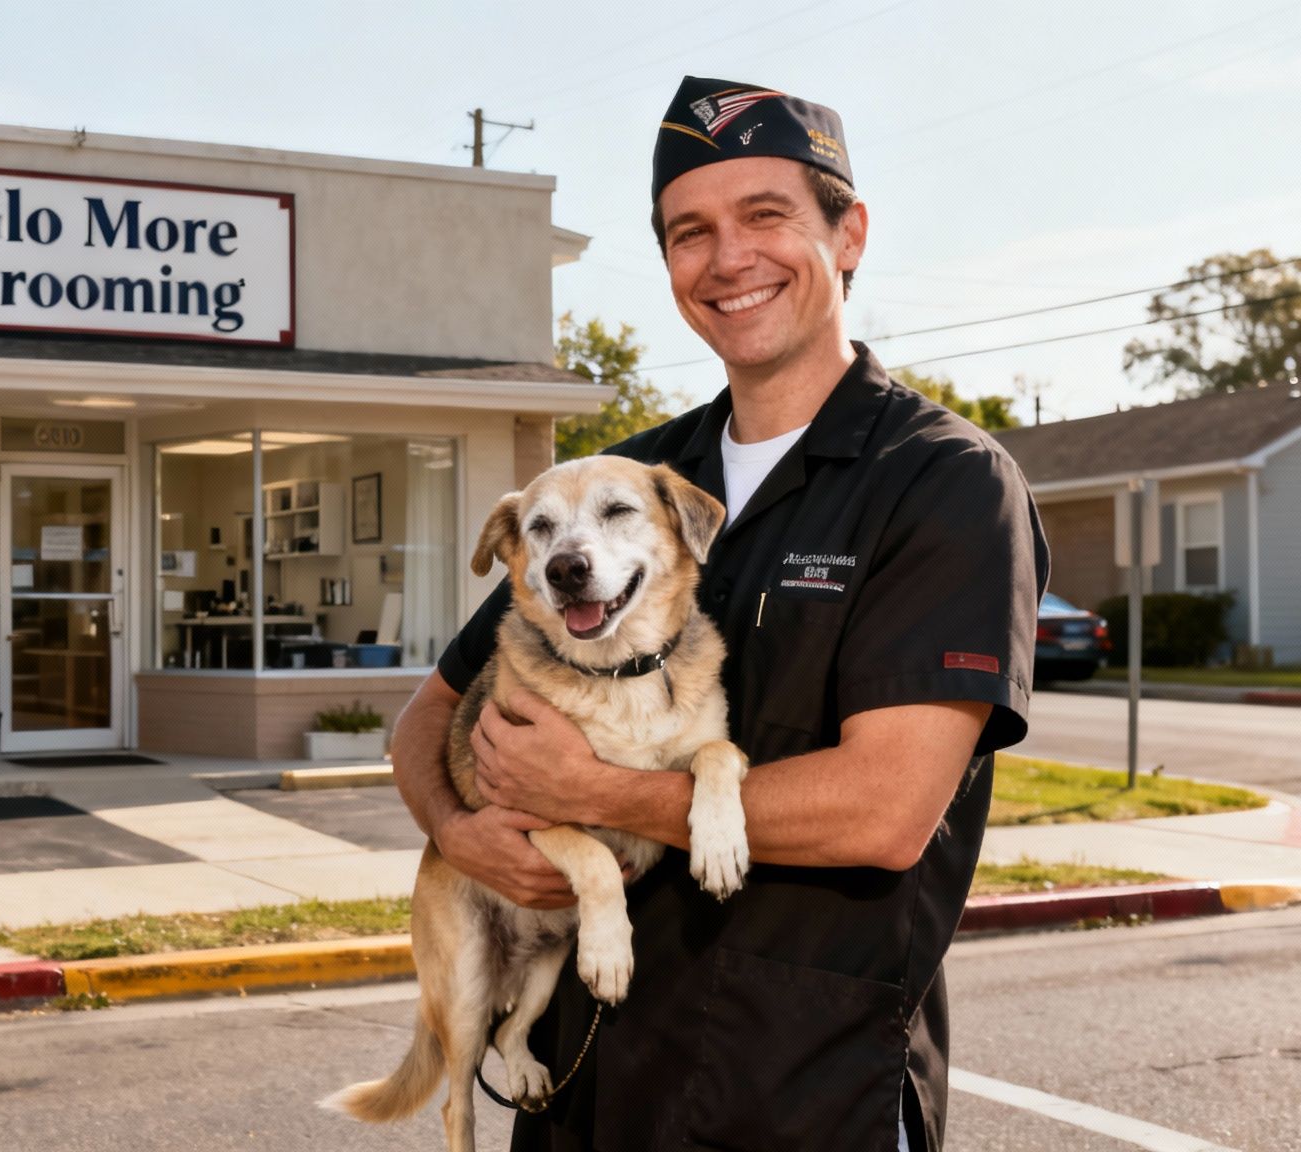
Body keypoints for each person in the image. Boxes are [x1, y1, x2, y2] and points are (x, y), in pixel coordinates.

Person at [391, 77, 1047, 1152]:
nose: (727, 259)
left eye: (765, 216)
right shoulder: (629, 482)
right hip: (587, 1086)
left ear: (848, 235)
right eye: (688, 233)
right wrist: (465, 837)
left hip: (799, 1091)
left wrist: (598, 793)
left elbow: (884, 809)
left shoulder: (941, 485)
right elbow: (426, 719)